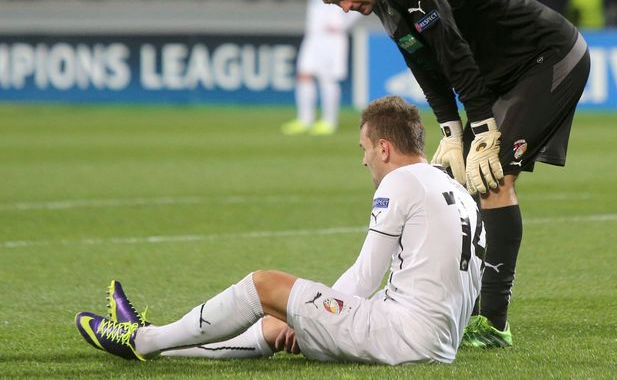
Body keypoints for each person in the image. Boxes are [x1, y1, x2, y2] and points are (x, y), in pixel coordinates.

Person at [299, 0, 591, 348]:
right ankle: (465, 306)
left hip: (547, 57)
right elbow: (425, 63)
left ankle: (492, 321)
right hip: (500, 77)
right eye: (336, 5)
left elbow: (451, 46)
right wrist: (451, 129)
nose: (346, 8)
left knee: (491, 178)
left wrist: (484, 129)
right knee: (456, 184)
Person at [75, 95, 485, 365]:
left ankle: (140, 341)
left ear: (383, 148)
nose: (363, 162)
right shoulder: (458, 191)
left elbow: (364, 276)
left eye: (363, 149)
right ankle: (157, 340)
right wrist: (308, 317)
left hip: (401, 338)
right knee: (273, 325)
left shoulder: (401, 181)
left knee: (265, 285)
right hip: (438, 343)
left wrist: (317, 314)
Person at [281, 0, 361, 135]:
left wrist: (342, 24)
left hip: (332, 38)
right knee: (304, 74)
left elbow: (358, 5)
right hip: (313, 36)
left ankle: (329, 121)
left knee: (327, 79)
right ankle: (305, 119)